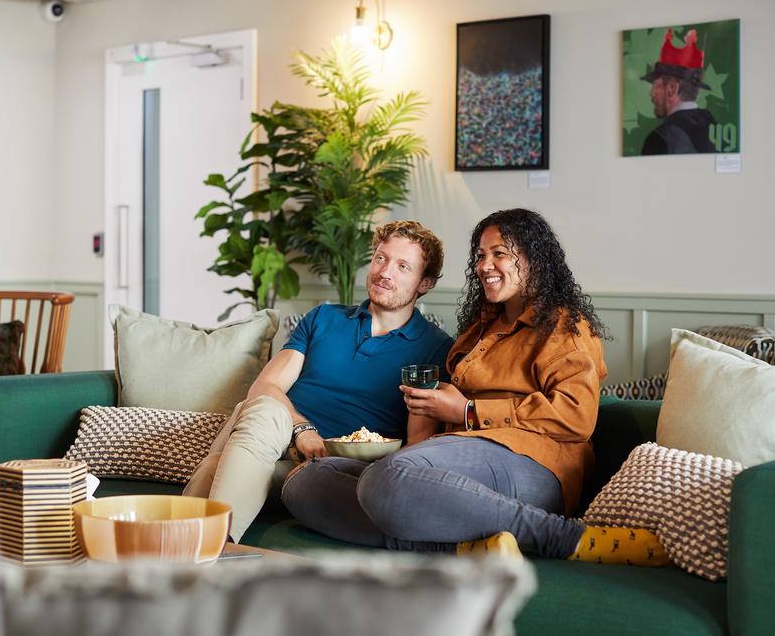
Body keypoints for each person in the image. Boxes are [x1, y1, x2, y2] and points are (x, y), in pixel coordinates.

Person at [282, 208, 670, 565]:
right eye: (481, 256)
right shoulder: (478, 331)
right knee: (305, 481)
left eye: (500, 254)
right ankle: (467, 548)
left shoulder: (563, 326)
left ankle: (564, 537)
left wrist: (468, 411)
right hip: (456, 453)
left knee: (385, 480)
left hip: (532, 461)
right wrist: (428, 427)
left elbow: (576, 417)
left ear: (534, 260)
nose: (485, 265)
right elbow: (436, 414)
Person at [183, 220, 454, 542]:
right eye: (381, 258)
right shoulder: (324, 318)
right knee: (264, 410)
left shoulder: (434, 348)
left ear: (425, 283)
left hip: (323, 466)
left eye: (402, 266)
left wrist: (352, 470)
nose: (385, 272)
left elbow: (417, 443)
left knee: (214, 467)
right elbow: (264, 388)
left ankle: (176, 551)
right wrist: (303, 429)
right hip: (274, 431)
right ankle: (220, 551)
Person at [640, 28, 717, 155]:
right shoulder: (715, 127)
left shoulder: (659, 138)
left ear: (671, 88)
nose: (652, 93)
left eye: (656, 85)